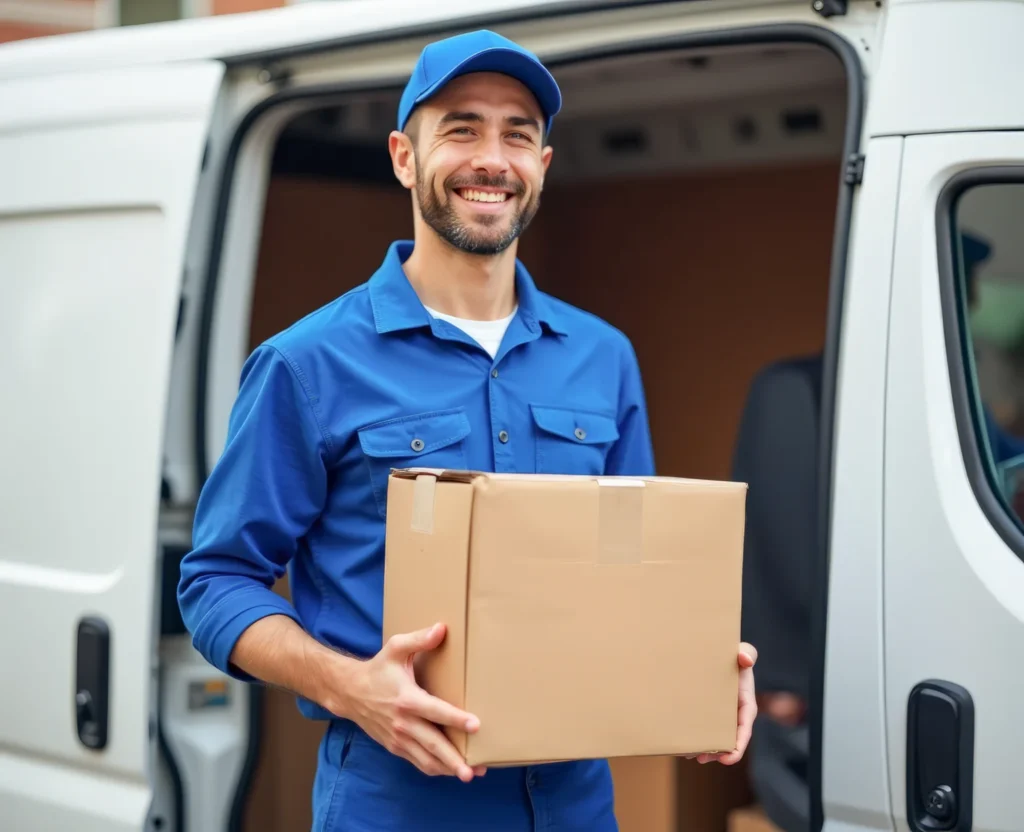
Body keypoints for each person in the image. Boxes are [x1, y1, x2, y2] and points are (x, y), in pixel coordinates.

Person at [177, 29, 758, 832]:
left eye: (518, 134)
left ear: (542, 168)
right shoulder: (306, 364)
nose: (493, 158)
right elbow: (213, 583)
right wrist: (349, 685)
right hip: (393, 800)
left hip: (576, 804)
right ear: (404, 158)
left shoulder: (602, 356)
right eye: (460, 129)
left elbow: (632, 566)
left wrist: (691, 673)